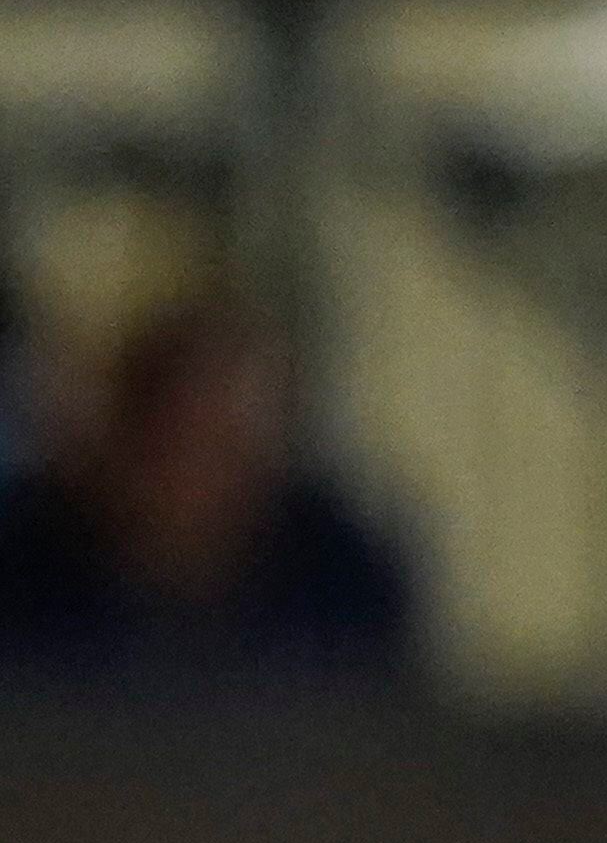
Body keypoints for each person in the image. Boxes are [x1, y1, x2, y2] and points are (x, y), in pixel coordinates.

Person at [0, 292, 418, 685]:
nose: (190, 476)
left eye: (217, 440)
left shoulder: (338, 573)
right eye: (168, 442)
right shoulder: (29, 562)